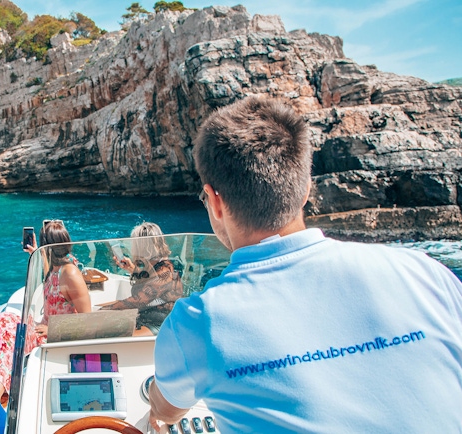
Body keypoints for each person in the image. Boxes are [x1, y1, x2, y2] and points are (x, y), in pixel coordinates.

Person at [148, 96, 462, 432]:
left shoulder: (197, 322)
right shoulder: (424, 272)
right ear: (306, 189)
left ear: (214, 202)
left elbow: (165, 411)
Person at [0, 221, 91, 404]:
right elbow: (49, 276)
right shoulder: (56, 268)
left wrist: (52, 330)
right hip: (42, 328)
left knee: (10, 330)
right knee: (3, 319)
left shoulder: (71, 273)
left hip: (55, 336)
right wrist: (36, 253)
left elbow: (88, 319)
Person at [99, 222, 183, 336]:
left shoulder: (165, 271)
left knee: (110, 334)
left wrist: (105, 310)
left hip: (161, 323)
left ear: (142, 247)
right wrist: (131, 269)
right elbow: (148, 281)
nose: (132, 247)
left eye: (134, 243)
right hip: (144, 315)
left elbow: (139, 300)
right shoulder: (155, 264)